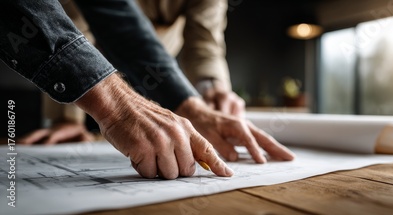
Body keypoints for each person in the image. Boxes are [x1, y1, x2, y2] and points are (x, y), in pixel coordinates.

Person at [0, 0, 294, 179]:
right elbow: (73, 20)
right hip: (77, 80)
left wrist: (199, 100)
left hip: (161, 86)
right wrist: (76, 114)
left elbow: (203, 40)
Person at [20, 0, 245, 144]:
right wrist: (67, 118)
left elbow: (204, 43)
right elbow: (71, 27)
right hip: (85, 84)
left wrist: (211, 90)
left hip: (161, 87)